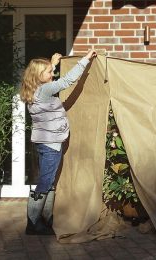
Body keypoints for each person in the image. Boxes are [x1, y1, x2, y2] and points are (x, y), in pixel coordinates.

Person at [20, 49, 96, 235]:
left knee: (49, 180)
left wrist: (52, 64)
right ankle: (33, 222)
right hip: (51, 144)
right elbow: (68, 81)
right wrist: (85, 60)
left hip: (44, 142)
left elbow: (46, 77)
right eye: (49, 72)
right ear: (39, 76)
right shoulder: (45, 90)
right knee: (46, 181)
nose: (52, 74)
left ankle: (45, 219)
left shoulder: (35, 90)